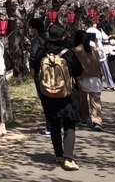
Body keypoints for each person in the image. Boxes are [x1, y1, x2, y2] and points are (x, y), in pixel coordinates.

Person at [30, 22, 83, 171]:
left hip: (48, 93)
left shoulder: (42, 51)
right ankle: (68, 158)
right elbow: (79, 71)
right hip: (66, 93)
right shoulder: (68, 52)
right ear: (63, 35)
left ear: (49, 35)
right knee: (69, 125)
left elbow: (34, 68)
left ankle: (58, 155)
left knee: (54, 124)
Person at [73, 29, 103, 130]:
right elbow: (98, 64)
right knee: (95, 101)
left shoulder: (75, 50)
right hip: (95, 78)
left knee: (83, 100)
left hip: (82, 78)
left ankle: (84, 119)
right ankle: (97, 121)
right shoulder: (94, 50)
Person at [28, 17, 52, 136]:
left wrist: (32, 71)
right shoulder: (49, 38)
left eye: (31, 28)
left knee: (45, 99)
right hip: (52, 72)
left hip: (40, 73)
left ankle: (49, 127)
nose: (30, 30)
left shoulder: (36, 41)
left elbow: (33, 57)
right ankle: (55, 124)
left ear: (35, 29)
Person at [86, 18, 115, 90]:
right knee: (105, 69)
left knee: (94, 70)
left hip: (91, 52)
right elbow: (105, 38)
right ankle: (111, 85)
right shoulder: (98, 31)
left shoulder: (87, 31)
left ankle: (96, 84)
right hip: (100, 51)